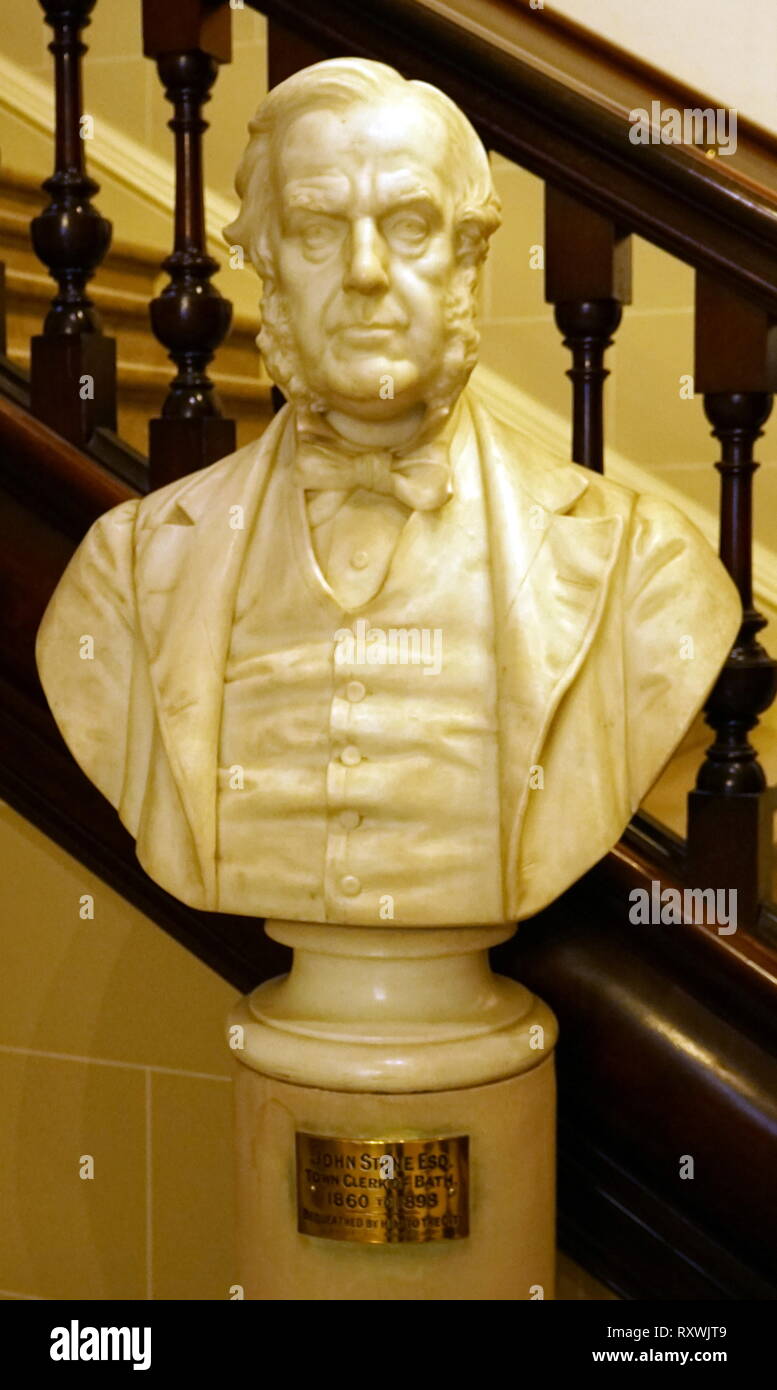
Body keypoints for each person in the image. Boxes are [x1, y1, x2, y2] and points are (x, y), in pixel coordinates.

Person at [36, 59, 740, 925]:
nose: (364, 272)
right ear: (266, 262)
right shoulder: (127, 569)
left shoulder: (643, 567)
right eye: (317, 230)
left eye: (407, 226)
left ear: (466, 257)